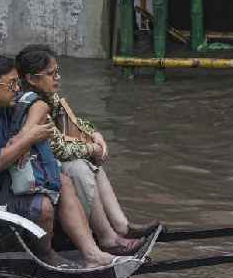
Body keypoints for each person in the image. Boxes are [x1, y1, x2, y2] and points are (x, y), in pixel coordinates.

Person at [0, 55, 117, 269]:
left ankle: (91, 253)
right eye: (12, 84)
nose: (17, 89)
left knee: (63, 181)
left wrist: (25, 132)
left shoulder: (1, 100)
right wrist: (28, 140)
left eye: (18, 82)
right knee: (43, 206)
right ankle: (46, 254)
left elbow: (38, 104)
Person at [14, 44, 158, 255]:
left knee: (91, 164)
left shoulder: (49, 97)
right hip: (35, 167)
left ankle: (121, 226)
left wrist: (95, 135)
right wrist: (93, 148)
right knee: (80, 166)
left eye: (57, 72)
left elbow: (76, 121)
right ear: (31, 79)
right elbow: (59, 149)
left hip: (48, 161)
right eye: (51, 74)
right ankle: (107, 238)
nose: (57, 78)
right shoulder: (32, 104)